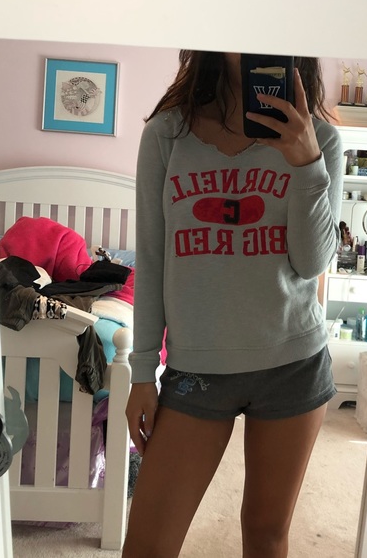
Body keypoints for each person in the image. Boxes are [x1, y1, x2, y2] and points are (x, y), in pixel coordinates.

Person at [123, 50, 344, 558]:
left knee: (266, 535)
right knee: (147, 546)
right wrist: (142, 373)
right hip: (196, 368)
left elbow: (311, 264)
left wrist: (306, 162)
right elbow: (151, 259)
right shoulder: (167, 135)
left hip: (293, 363)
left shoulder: (321, 140)